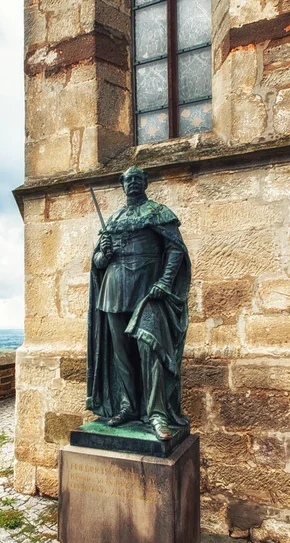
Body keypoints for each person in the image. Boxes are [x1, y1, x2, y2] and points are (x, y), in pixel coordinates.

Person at [86, 166, 191, 441]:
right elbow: (98, 263)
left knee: (149, 347)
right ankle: (128, 406)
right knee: (121, 355)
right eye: (128, 179)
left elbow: (175, 248)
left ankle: (157, 413)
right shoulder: (114, 218)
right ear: (122, 185)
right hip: (113, 291)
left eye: (137, 179)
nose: (132, 183)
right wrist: (103, 256)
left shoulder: (157, 212)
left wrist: (166, 282)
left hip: (147, 291)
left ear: (145, 182)